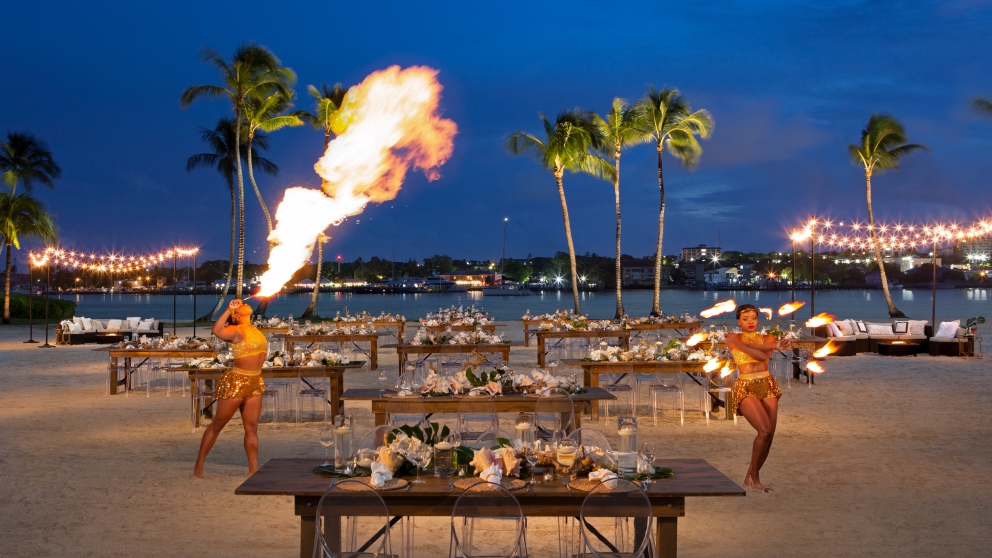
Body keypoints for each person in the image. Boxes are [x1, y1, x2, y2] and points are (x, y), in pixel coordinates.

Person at [193, 299, 267, 478]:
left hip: (255, 381)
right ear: (237, 315)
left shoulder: (255, 329)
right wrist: (228, 309)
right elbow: (216, 330)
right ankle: (199, 465)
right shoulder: (236, 330)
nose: (245, 303)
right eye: (241, 306)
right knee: (218, 424)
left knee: (251, 428)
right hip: (237, 380)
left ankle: (253, 469)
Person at [725, 304, 790, 492]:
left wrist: (773, 345)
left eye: (753, 318)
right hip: (746, 386)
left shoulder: (767, 338)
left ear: (758, 319)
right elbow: (759, 351)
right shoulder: (733, 338)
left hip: (767, 384)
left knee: (770, 435)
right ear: (739, 321)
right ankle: (754, 476)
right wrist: (773, 346)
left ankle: (750, 477)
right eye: (745, 319)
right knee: (764, 431)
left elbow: (762, 357)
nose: (750, 321)